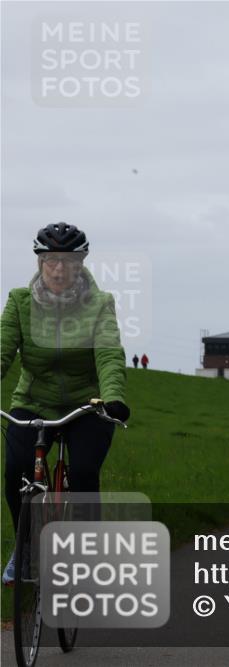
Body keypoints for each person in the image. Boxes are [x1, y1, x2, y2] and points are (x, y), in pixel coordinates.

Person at [1, 223, 130, 584]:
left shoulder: (100, 304)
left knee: (85, 471)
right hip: (33, 402)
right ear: (40, 261)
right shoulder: (19, 301)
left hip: (87, 404)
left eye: (69, 261)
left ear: (82, 262)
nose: (59, 269)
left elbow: (108, 355)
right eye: (51, 260)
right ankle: (25, 547)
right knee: (15, 471)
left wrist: (114, 398)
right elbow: (3, 349)